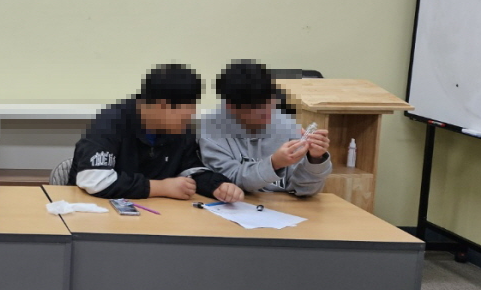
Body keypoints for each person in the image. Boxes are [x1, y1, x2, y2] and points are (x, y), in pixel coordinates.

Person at [69, 63, 243, 202]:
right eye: (186, 114)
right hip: (97, 213)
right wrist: (160, 188)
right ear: (163, 105)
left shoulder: (178, 129)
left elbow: (191, 169)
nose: (189, 119)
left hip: (156, 215)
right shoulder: (110, 124)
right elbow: (94, 180)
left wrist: (217, 186)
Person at [199, 60, 332, 196]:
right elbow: (230, 182)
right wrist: (274, 164)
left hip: (283, 206)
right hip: (234, 204)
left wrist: (315, 159)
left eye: (270, 103)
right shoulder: (210, 132)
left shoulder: (287, 126)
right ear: (230, 107)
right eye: (258, 109)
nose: (268, 113)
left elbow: (305, 190)